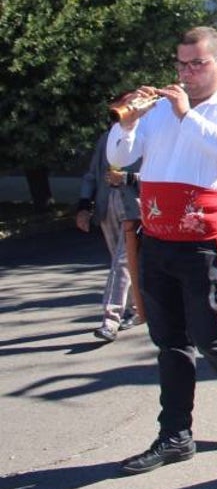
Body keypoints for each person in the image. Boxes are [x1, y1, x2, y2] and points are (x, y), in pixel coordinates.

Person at [108, 26, 217, 474]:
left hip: (204, 243)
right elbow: (120, 159)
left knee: (213, 336)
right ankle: (175, 435)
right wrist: (128, 123)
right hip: (158, 237)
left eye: (197, 63)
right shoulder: (159, 110)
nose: (188, 72)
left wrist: (186, 115)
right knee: (170, 342)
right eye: (181, 63)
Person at [75, 128, 143, 342]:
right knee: (121, 262)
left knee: (122, 262)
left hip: (136, 208)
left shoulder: (149, 135)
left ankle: (110, 320)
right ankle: (135, 309)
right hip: (107, 208)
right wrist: (84, 206)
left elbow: (161, 175)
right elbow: (92, 174)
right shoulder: (107, 137)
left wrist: (127, 177)